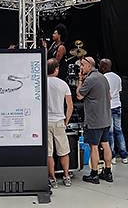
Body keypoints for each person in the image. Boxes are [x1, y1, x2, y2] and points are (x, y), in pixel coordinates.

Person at [76, 56, 113, 184]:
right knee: (106, 144)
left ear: (89, 66)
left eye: (82, 65)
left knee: (94, 147)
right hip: (106, 118)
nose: (80, 67)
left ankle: (94, 174)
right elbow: (109, 96)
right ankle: (108, 172)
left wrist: (80, 80)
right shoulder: (103, 78)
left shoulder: (90, 79)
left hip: (94, 120)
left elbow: (79, 95)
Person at [47, 58, 73, 188]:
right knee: (64, 151)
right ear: (57, 69)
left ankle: (52, 179)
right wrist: (66, 121)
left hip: (45, 122)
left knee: (48, 153)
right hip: (59, 121)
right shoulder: (63, 84)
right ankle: (66, 176)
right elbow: (70, 106)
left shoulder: (40, 83)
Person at [99, 59, 128, 164]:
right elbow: (119, 91)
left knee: (110, 133)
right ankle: (124, 155)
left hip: (108, 107)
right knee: (119, 131)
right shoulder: (117, 77)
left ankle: (112, 156)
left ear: (103, 67)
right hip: (118, 105)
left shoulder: (104, 78)